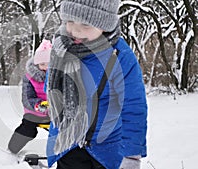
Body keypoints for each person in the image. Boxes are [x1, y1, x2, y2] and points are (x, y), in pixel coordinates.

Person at [46, 0, 147, 169]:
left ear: (104, 25)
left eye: (85, 24)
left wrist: (131, 154)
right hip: (68, 144)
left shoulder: (120, 57)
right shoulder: (60, 50)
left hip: (107, 149)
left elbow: (133, 108)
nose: (75, 30)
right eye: (70, 21)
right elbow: (51, 87)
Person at [8, 39, 52, 154]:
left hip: (54, 113)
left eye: (49, 64)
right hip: (35, 112)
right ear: (37, 64)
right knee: (27, 129)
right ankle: (12, 150)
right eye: (42, 64)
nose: (45, 68)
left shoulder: (58, 76)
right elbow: (27, 97)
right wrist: (38, 105)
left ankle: (60, 154)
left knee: (61, 131)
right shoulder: (30, 77)